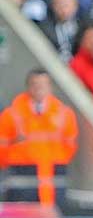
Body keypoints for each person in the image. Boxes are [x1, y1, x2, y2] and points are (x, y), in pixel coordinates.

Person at [0, 70, 78, 207]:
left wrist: (54, 158)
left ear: (50, 87)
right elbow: (2, 147)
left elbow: (70, 145)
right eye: (35, 84)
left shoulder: (64, 113)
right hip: (22, 179)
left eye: (43, 84)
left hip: (54, 179)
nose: (39, 89)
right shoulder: (12, 114)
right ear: (28, 87)